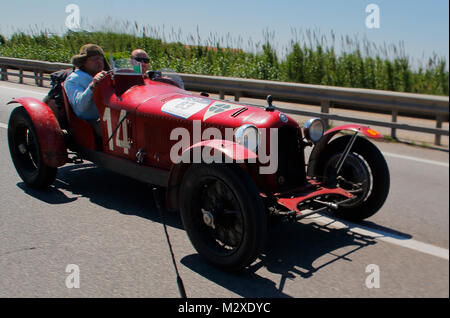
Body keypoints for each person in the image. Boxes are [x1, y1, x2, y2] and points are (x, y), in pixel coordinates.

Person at [64, 44, 110, 136]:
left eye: (101, 58)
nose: (99, 62)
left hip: (109, 117)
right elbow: (80, 108)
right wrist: (93, 86)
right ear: (83, 62)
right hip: (90, 121)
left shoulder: (107, 76)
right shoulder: (74, 79)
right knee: (112, 130)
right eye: (94, 59)